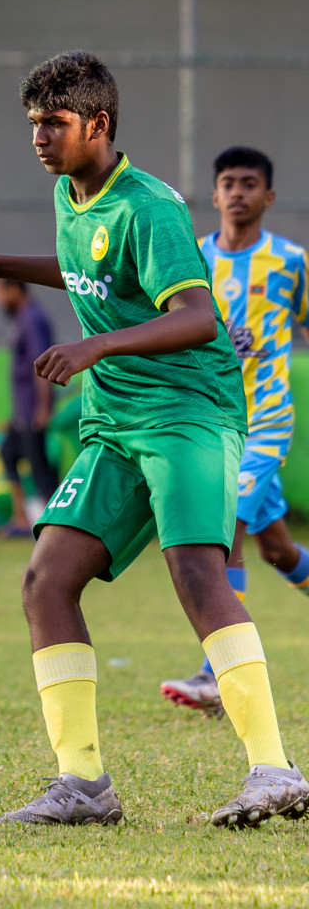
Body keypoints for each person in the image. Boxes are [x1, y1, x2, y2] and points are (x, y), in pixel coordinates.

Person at [0, 50, 306, 828]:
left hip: (187, 413)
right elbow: (90, 273)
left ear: (97, 124)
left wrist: (94, 347)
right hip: (115, 421)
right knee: (46, 580)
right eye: (34, 125)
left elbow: (198, 315)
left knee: (198, 572)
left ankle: (273, 771)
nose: (39, 138)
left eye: (54, 125)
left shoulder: (151, 206)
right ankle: (84, 789)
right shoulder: (72, 192)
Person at [161, 147, 309, 714]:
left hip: (267, 419)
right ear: (215, 194)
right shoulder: (195, 260)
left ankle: (214, 673)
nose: (239, 192)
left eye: (251, 184)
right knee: (278, 549)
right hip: (217, 419)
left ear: (267, 197)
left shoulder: (292, 261)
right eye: (229, 183)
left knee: (227, 529)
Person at [0, 278, 58, 538]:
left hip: (33, 411)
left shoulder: (32, 318)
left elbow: (41, 364)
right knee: (8, 454)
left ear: (15, 289)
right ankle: (21, 519)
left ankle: (55, 527)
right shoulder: (22, 318)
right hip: (23, 411)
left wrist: (43, 408)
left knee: (40, 469)